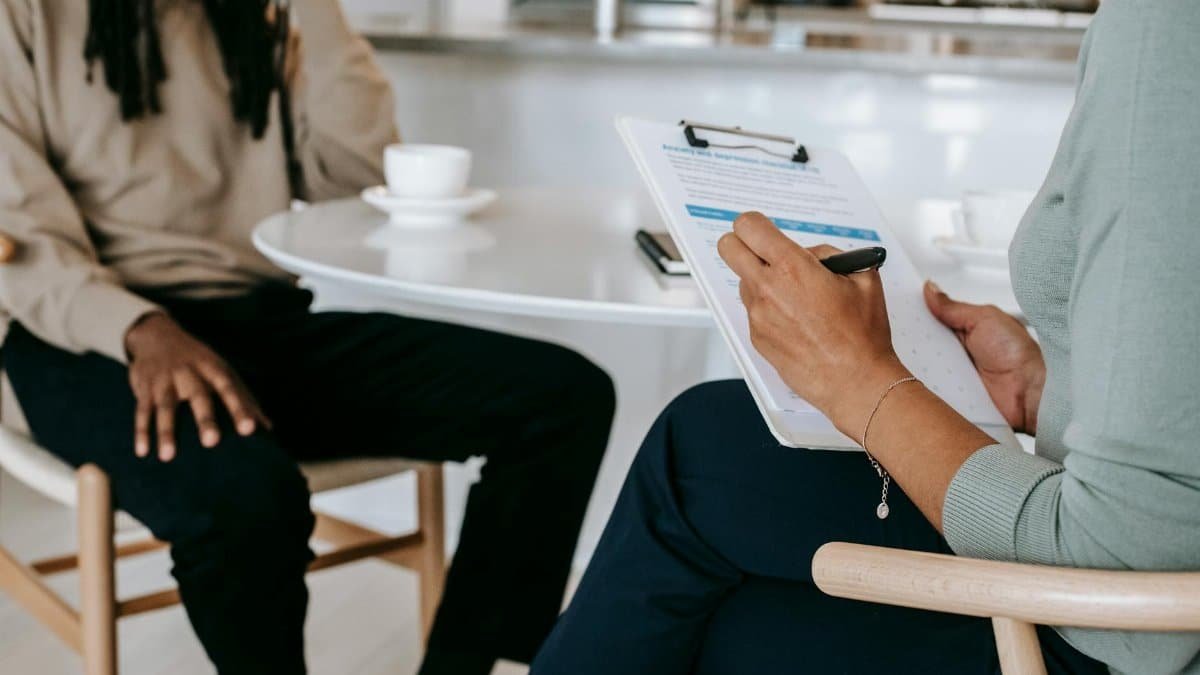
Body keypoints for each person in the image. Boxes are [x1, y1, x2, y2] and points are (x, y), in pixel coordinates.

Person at [531, 1, 1200, 673]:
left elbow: (1129, 580)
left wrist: (862, 382)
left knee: (701, 456)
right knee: (709, 488)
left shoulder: (1166, 28)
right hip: (1107, 584)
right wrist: (1051, 391)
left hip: (1108, 638)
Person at [0, 1, 615, 673]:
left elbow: (353, 176)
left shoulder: (257, 16)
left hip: (257, 319)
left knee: (562, 397)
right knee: (246, 500)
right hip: (80, 333)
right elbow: (18, 232)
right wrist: (137, 327)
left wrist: (317, 11)